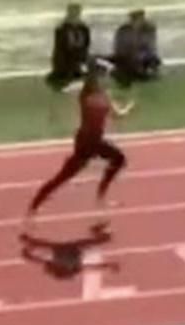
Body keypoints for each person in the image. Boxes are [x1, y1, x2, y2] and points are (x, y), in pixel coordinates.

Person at [24, 59, 133, 230]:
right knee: (64, 176)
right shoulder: (89, 94)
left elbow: (116, 115)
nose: (108, 78)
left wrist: (127, 109)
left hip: (94, 140)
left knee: (117, 159)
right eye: (104, 74)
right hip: (87, 141)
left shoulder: (100, 93)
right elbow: (102, 108)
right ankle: (34, 207)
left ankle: (100, 196)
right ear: (96, 76)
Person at [110, 9, 161, 84]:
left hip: (143, 56)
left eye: (140, 18)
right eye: (134, 18)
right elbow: (118, 47)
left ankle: (144, 73)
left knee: (153, 59)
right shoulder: (123, 29)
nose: (137, 21)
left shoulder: (149, 28)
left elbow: (150, 47)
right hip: (126, 55)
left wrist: (139, 54)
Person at [47, 3, 91, 88]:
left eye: (77, 12)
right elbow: (59, 47)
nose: (75, 14)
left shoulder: (84, 28)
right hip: (65, 60)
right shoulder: (61, 28)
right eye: (73, 12)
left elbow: (86, 45)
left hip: (78, 60)